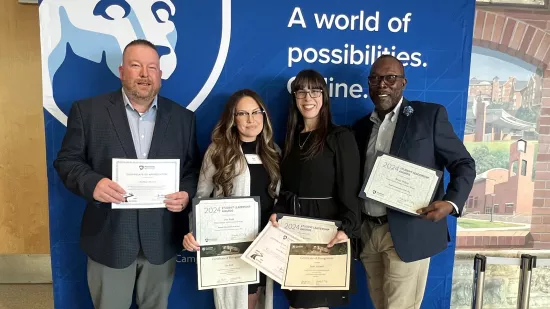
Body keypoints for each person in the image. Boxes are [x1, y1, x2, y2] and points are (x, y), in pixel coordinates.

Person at [53, 39, 200, 309]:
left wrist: (187, 193)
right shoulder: (88, 112)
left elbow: (191, 169)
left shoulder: (183, 118)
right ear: (122, 71)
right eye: (136, 66)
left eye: (152, 67)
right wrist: (92, 183)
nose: (145, 74)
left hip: (162, 238)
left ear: (160, 75)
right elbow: (67, 161)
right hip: (109, 238)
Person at [351, 54, 476, 309]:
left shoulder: (428, 116)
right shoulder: (361, 127)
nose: (382, 84)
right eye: (374, 79)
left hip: (408, 230)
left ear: (403, 83)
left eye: (390, 78)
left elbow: (464, 164)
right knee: (380, 304)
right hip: (369, 231)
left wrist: (450, 203)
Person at [270, 69, 362, 309]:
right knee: (297, 304)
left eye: (315, 91)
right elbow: (287, 187)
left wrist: (348, 228)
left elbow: (350, 189)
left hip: (327, 231)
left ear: (325, 96)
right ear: (294, 98)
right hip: (294, 229)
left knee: (316, 303)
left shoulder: (340, 137)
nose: (308, 98)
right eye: (301, 91)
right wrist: (278, 212)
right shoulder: (290, 139)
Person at [183, 89, 281, 309]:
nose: (251, 119)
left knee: (257, 299)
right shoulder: (218, 152)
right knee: (237, 303)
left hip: (264, 244)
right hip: (231, 246)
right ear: (232, 119)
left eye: (256, 112)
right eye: (242, 113)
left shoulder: (274, 152)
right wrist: (193, 232)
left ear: (264, 115)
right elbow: (201, 197)